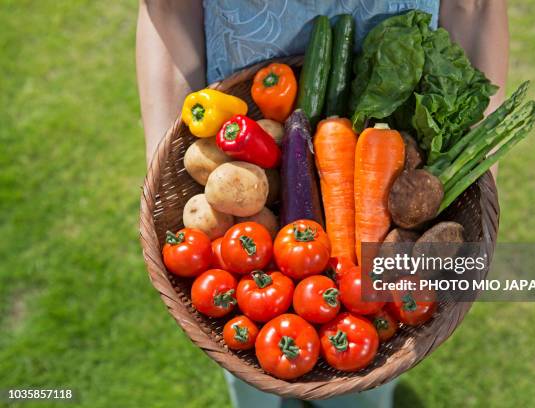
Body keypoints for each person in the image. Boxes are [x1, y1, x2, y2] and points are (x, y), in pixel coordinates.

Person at [136, 1, 508, 407]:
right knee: (249, 377)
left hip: (395, 103)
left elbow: (475, 7)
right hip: (238, 108)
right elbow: (168, 8)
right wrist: (167, 160)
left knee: (364, 388)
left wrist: (479, 171)